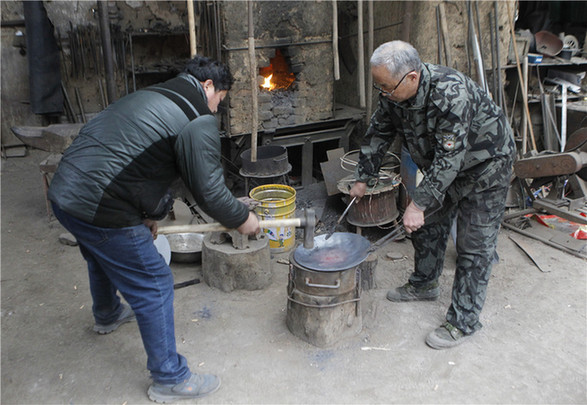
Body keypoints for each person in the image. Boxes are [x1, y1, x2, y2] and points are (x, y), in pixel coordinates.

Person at [48, 55, 260, 402]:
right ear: (208, 86)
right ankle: (170, 378)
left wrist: (149, 214)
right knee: (155, 284)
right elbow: (207, 189)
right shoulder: (195, 116)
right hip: (101, 206)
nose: (217, 109)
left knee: (100, 255)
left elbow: (138, 164)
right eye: (220, 99)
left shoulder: (152, 95)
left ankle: (107, 313)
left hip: (65, 195)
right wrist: (241, 218)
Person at [350, 41, 515, 349]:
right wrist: (364, 178)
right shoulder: (392, 93)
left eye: (386, 86)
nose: (382, 93)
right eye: (379, 86)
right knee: (427, 226)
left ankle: (463, 321)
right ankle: (424, 284)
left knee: (473, 245)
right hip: (445, 167)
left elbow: (449, 159)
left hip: (485, 167)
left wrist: (419, 202)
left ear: (411, 77)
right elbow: (379, 132)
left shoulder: (450, 95)